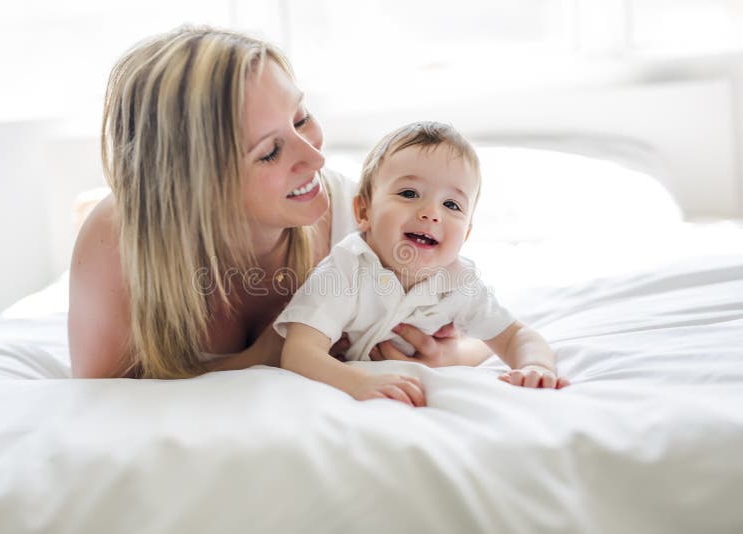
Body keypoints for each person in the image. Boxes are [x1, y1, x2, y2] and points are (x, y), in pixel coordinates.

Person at [68, 26, 490, 379]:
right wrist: (255, 361)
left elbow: (483, 333)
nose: (316, 158)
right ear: (198, 185)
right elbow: (104, 395)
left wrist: (448, 357)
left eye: (302, 117)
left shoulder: (361, 224)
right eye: (270, 151)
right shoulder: (117, 241)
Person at [275, 122, 570, 407]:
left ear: (466, 234)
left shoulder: (459, 281)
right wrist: (357, 382)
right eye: (409, 194)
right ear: (364, 211)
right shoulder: (345, 268)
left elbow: (515, 335)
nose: (431, 213)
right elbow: (299, 352)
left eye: (452, 205)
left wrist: (536, 366)